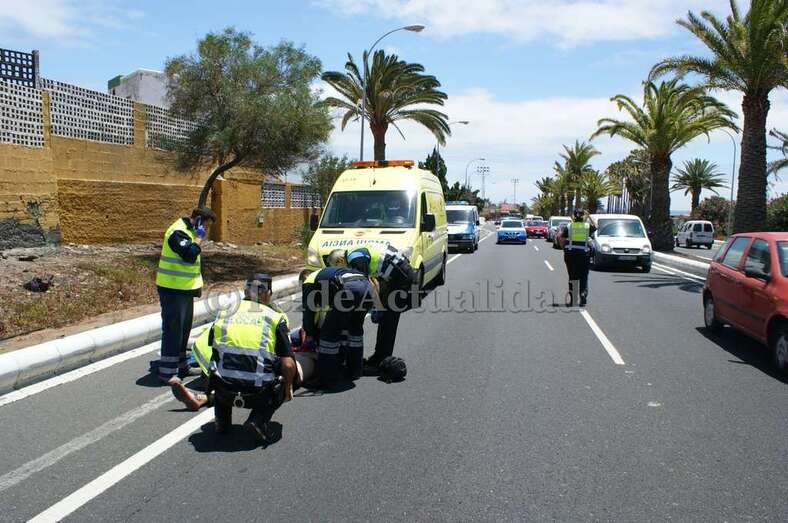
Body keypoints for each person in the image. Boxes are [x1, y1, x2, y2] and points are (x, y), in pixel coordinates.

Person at [189, 272, 297, 444]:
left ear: (245, 292)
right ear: (267, 293)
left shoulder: (224, 313)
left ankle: (222, 421)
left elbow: (213, 349)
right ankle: (258, 420)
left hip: (224, 390)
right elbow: (288, 364)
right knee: (291, 371)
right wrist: (289, 385)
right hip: (258, 393)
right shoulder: (274, 318)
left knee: (219, 366)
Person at [155, 207, 216, 384]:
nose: (206, 229)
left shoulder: (188, 231)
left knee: (183, 330)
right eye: (205, 224)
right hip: (173, 289)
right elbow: (189, 255)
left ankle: (182, 366)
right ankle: (167, 373)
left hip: (184, 290)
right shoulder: (177, 232)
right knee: (173, 330)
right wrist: (198, 238)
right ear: (197, 220)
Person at [301, 263, 375, 388]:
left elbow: (309, 311)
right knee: (355, 330)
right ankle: (355, 370)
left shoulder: (308, 282)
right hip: (367, 287)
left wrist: (310, 334)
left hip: (349, 288)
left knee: (328, 336)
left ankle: (326, 378)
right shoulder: (327, 276)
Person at [345, 245, 416, 371]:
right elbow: (373, 280)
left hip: (403, 279)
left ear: (341, 260)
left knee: (389, 321)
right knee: (385, 319)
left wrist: (376, 308)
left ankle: (383, 361)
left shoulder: (355, 259)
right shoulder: (357, 254)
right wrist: (377, 306)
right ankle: (379, 357)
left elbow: (366, 284)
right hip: (396, 277)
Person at [558, 208, 596, 307]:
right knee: (583, 275)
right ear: (583, 216)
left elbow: (561, 237)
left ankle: (573, 299)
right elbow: (596, 226)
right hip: (583, 253)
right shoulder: (587, 226)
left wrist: (564, 248)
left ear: (574, 216)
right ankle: (583, 295)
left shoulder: (569, 226)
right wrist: (589, 216)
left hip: (571, 254)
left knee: (573, 276)